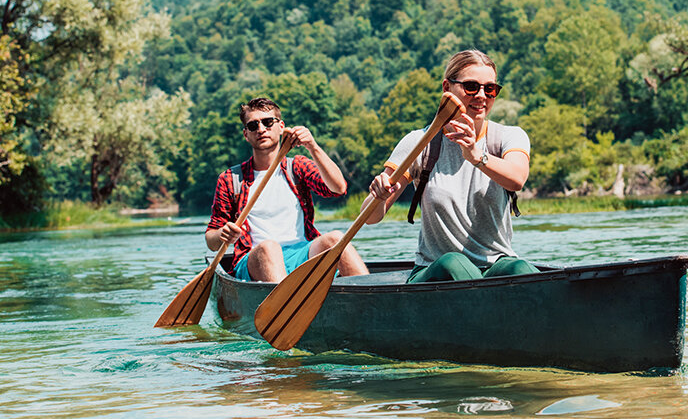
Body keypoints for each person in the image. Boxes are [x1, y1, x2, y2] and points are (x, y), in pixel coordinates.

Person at [365, 49, 535, 283]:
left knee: (518, 268)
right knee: (454, 263)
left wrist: (477, 155)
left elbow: (517, 178)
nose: (481, 96)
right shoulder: (418, 143)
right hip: (435, 272)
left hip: (494, 268)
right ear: (447, 87)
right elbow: (371, 217)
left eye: (490, 89)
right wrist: (379, 195)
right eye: (471, 87)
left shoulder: (509, 136)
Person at [206, 97, 368, 282]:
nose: (261, 129)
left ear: (280, 126)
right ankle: (286, 306)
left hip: (301, 253)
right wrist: (223, 234)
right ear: (246, 134)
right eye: (253, 125)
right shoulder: (231, 179)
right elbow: (211, 240)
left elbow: (338, 188)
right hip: (253, 259)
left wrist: (312, 147)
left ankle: (370, 302)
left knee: (336, 238)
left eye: (267, 122)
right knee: (269, 248)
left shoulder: (297, 167)